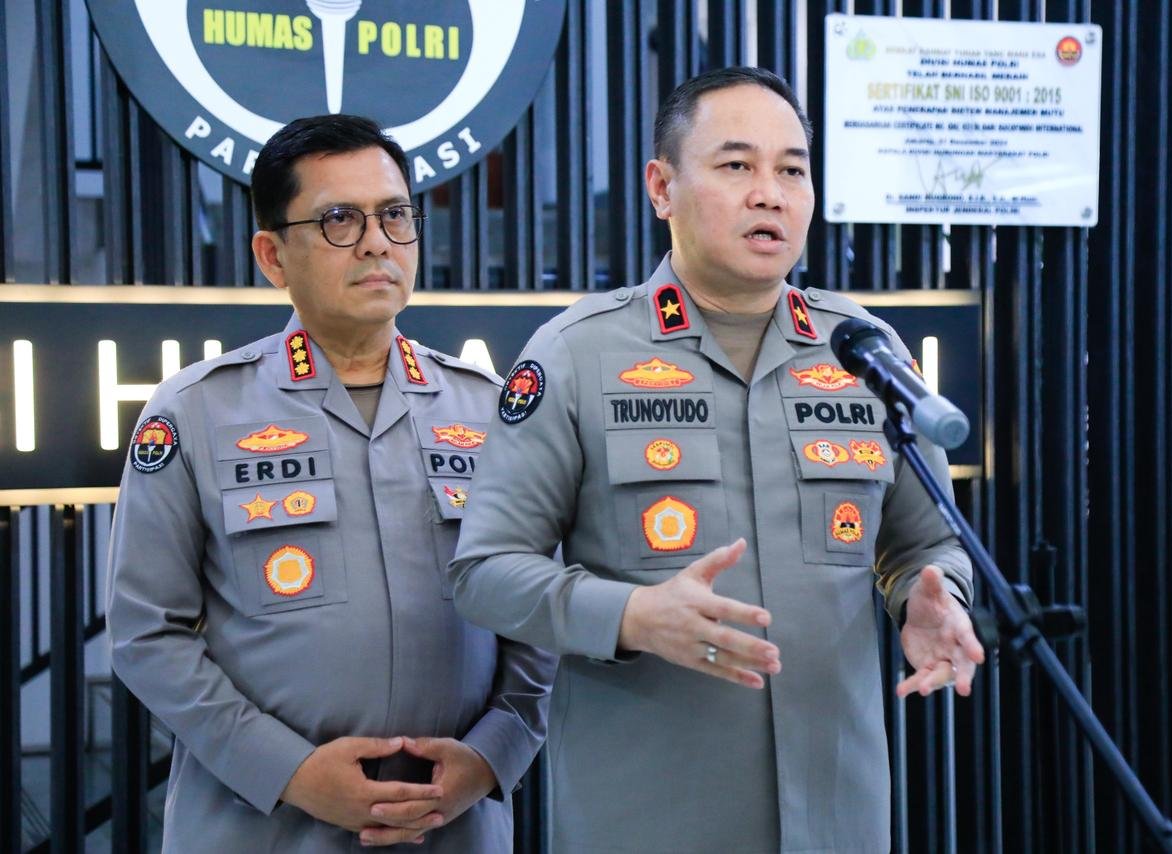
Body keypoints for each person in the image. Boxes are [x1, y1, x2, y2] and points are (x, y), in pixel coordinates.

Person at [448, 67, 984, 853]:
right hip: (644, 819)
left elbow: (924, 544)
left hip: (839, 814)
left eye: (792, 170)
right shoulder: (576, 354)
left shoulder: (864, 353)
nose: (770, 194)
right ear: (661, 188)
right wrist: (629, 615)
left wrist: (933, 598)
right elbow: (484, 571)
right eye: (737, 165)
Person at [106, 115, 556, 852]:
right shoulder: (196, 410)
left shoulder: (489, 409)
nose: (377, 242)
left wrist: (489, 758)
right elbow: (146, 634)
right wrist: (288, 771)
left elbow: (537, 615)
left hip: (452, 827)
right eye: (339, 219)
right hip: (261, 826)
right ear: (272, 255)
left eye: (394, 215)